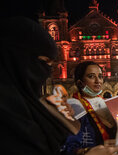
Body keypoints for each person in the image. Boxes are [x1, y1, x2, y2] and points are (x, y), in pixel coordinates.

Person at [0, 16, 70, 155]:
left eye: (50, 65)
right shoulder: (8, 115)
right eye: (43, 62)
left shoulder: (27, 103)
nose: (47, 72)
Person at [62, 61, 118, 155]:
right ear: (80, 82)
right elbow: (68, 146)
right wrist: (87, 151)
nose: (98, 81)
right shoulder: (73, 106)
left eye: (100, 76)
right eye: (91, 76)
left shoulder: (106, 103)